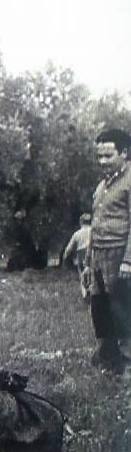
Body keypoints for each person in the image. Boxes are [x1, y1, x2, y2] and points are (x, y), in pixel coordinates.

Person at [81, 129, 131, 374]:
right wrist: (89, 263)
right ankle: (108, 355)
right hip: (99, 255)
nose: (102, 162)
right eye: (99, 156)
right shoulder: (103, 185)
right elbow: (96, 226)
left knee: (121, 307)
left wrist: (128, 261)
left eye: (108, 156)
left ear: (124, 153)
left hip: (119, 253)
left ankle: (127, 361)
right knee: (99, 305)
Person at [62, 214, 91, 297]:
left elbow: (69, 248)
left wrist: (65, 256)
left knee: (81, 273)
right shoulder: (94, 231)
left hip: (81, 255)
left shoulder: (77, 234)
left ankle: (85, 293)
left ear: (81, 222)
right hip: (92, 254)